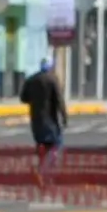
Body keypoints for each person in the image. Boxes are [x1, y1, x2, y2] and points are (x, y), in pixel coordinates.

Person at [20, 59, 66, 187]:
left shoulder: (31, 80)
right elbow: (59, 100)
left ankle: (43, 173)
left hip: (36, 120)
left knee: (42, 147)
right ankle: (43, 172)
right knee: (56, 145)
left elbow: (23, 98)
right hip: (51, 120)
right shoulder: (52, 80)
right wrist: (64, 117)